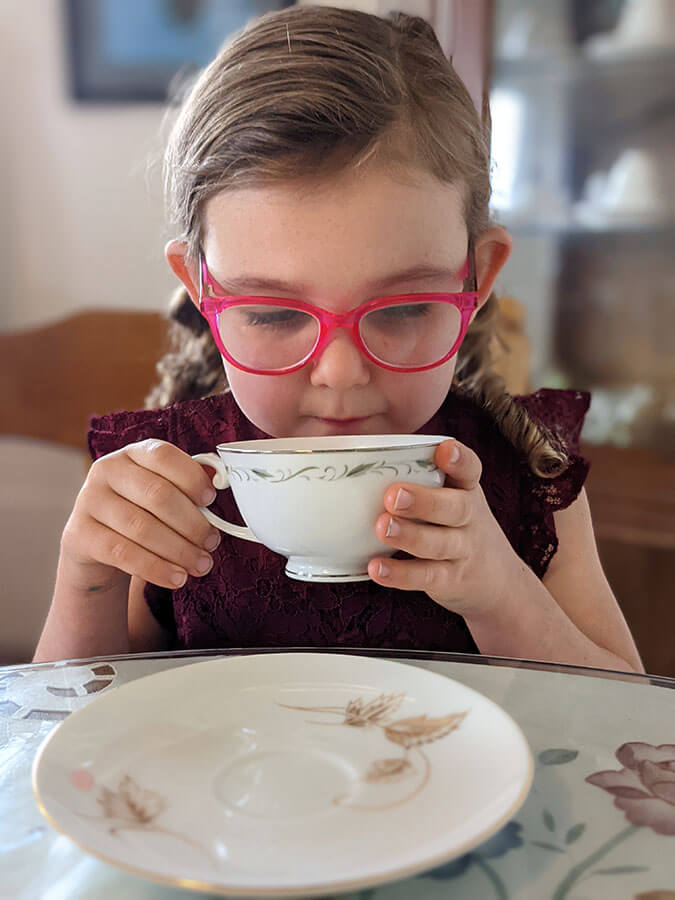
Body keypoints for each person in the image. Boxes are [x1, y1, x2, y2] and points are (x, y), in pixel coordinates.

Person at [34, 6, 643, 673]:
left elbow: (622, 720)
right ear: (202, 290)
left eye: (404, 308)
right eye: (271, 313)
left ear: (478, 277)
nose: (341, 374)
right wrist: (85, 573)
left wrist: (502, 595)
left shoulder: (531, 471)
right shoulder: (170, 484)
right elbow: (70, 729)